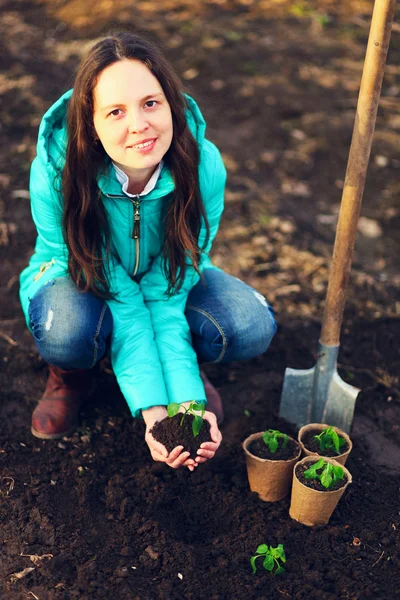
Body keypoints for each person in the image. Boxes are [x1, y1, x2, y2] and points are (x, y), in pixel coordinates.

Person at [19, 32, 277, 471]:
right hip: (80, 276)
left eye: (150, 103)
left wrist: (185, 405)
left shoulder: (203, 165)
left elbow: (170, 287)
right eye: (115, 112)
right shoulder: (56, 173)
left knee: (249, 325)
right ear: (91, 123)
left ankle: (191, 367)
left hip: (169, 275)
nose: (138, 124)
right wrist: (152, 408)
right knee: (68, 331)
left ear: (170, 103)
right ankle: (71, 377)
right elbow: (116, 289)